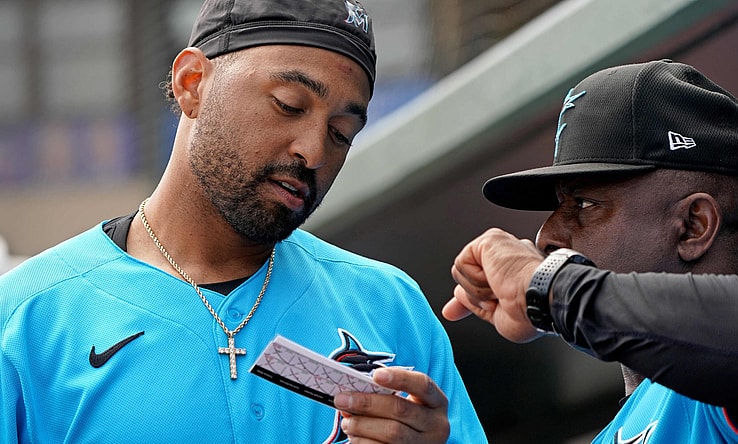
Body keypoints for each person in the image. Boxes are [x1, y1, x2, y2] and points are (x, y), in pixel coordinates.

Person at [0, 1, 486, 442]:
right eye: (289, 105)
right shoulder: (28, 317)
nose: (313, 151)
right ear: (192, 83)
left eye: (341, 134)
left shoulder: (389, 307)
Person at [444, 60, 738, 442]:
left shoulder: (732, 383)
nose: (545, 236)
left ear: (694, 225)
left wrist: (553, 288)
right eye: (557, 206)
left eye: (586, 204)